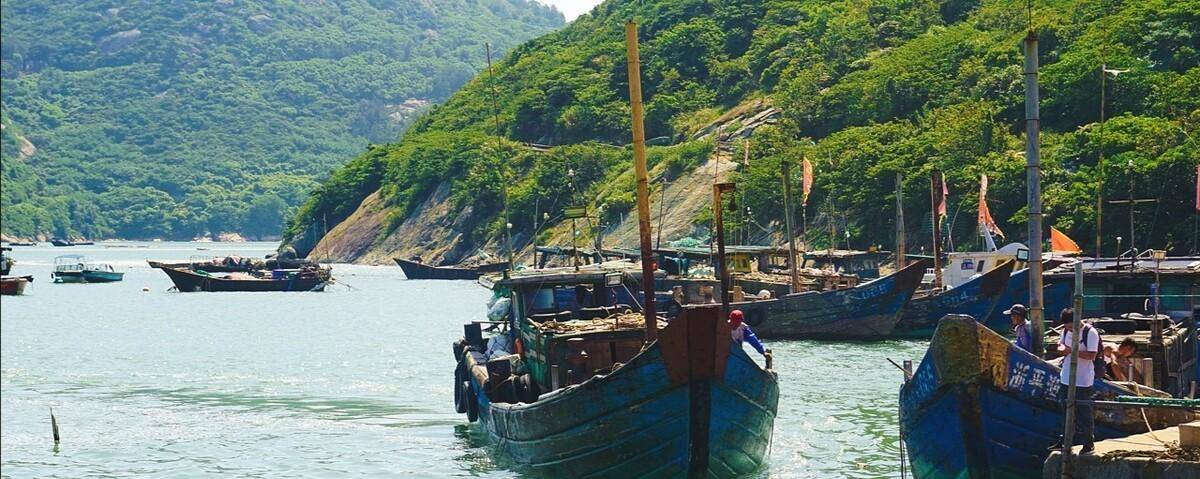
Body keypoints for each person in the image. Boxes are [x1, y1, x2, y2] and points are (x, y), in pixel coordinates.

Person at [1055, 308, 1099, 454]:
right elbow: (1060, 345)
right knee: (1065, 409)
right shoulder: (1065, 331)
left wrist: (1072, 351)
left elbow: (1091, 355)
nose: (1068, 329)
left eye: (1070, 326)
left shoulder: (1090, 332)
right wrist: (1063, 349)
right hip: (1066, 377)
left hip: (1083, 380)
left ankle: (1088, 442)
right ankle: (1066, 439)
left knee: (1084, 412)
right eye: (1066, 327)